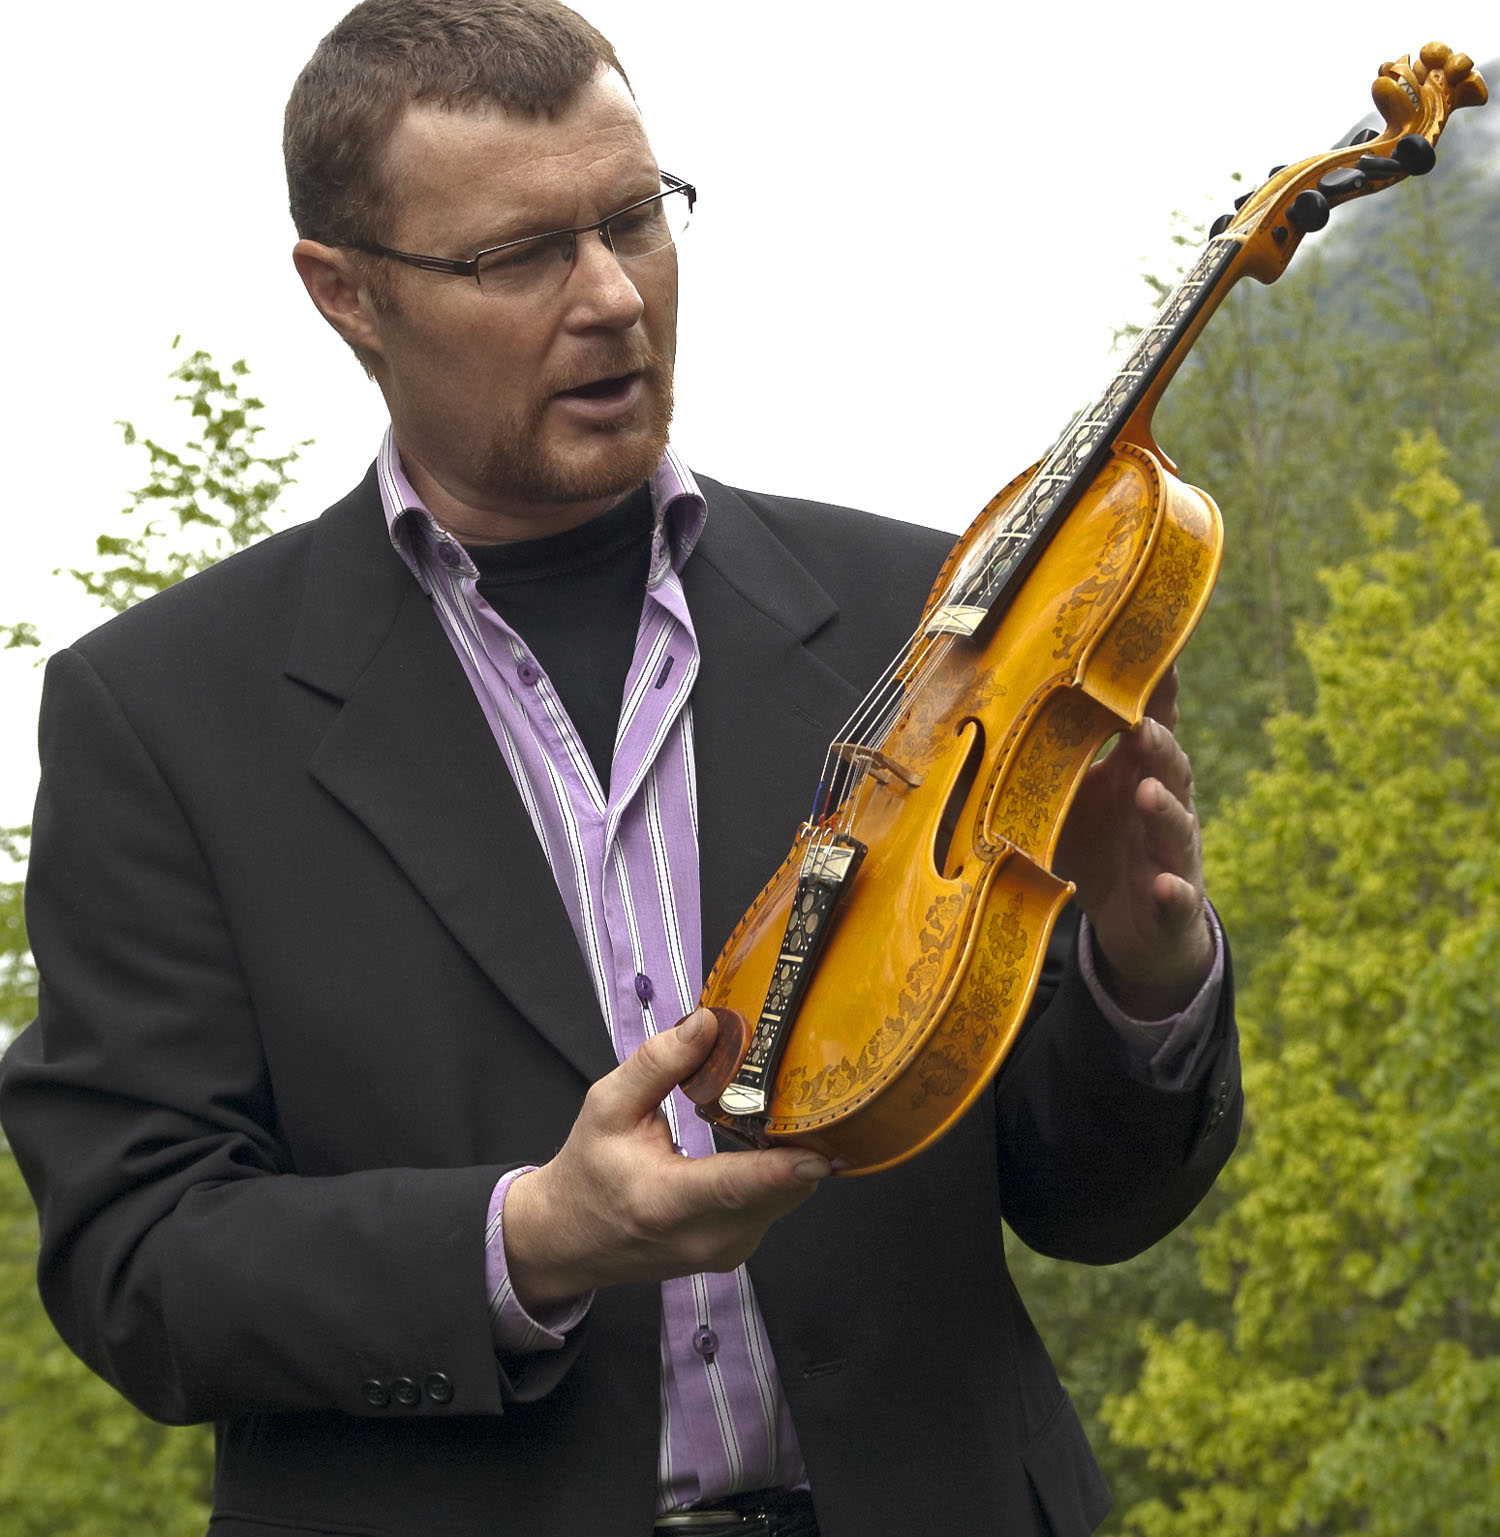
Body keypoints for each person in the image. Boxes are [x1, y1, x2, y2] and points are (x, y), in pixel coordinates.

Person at [0, 2, 1241, 1533]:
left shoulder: (926, 629)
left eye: (636, 219)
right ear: (345, 294)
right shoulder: (159, 714)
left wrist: (1143, 968)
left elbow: (1095, 1199)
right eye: (517, 255)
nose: (611, 298)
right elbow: (140, 1261)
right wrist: (528, 1238)